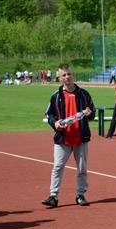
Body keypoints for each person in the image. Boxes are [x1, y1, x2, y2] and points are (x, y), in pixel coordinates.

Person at [41, 64, 95, 208]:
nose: (67, 77)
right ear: (59, 78)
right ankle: (53, 196)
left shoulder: (84, 94)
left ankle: (80, 194)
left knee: (82, 169)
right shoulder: (56, 96)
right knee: (57, 167)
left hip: (81, 138)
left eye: (69, 74)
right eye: (64, 75)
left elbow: (92, 112)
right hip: (62, 139)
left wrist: (90, 113)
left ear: (73, 75)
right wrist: (55, 123)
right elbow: (49, 114)